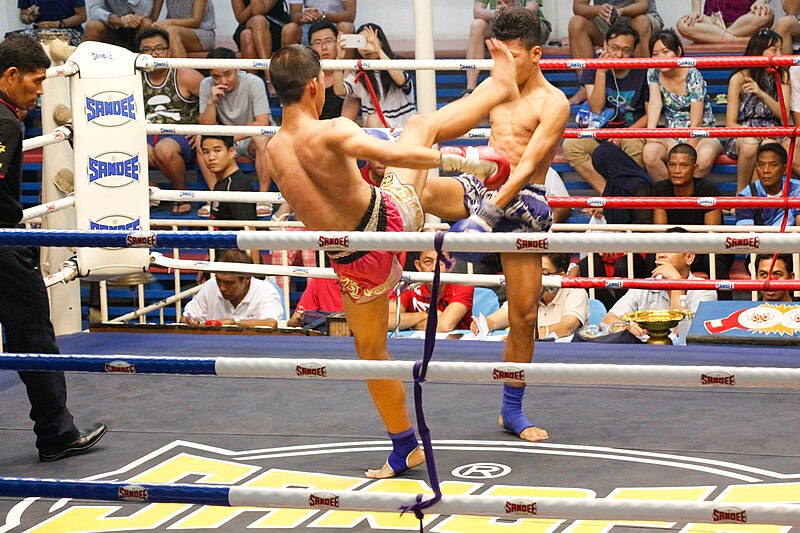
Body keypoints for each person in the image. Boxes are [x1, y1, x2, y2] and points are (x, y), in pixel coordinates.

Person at [267, 32, 521, 477]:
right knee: (420, 127)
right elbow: (392, 151)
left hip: (351, 260)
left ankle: (405, 446)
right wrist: (464, 159)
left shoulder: (272, 151)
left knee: (370, 351)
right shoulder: (333, 129)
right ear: (314, 85)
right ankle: (498, 94)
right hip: (388, 223)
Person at [422, 6, 568, 444]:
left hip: (524, 200)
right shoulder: (493, 86)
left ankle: (511, 410)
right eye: (497, 57)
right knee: (420, 190)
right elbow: (449, 122)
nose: (502, 65)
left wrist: (487, 215)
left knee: (524, 315)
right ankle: (374, 234)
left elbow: (527, 165)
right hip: (482, 184)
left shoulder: (553, 102)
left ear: (536, 54)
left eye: (512, 57)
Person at [0, 34, 107, 462]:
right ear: (11, 75)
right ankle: (56, 434)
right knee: (34, 338)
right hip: (3, 246)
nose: (41, 91)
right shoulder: (6, 122)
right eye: (36, 81)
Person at [562, 21, 649, 194]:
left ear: (633, 51)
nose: (619, 55)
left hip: (631, 133)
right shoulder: (593, 68)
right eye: (614, 48)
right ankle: (607, 195)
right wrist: (601, 72)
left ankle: (629, 194)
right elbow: (596, 108)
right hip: (599, 133)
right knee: (571, 145)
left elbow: (650, 114)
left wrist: (624, 134)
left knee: (633, 145)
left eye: (626, 50)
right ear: (605, 45)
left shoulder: (642, 70)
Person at [602, 228, 717, 338]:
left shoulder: (705, 290)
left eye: (670, 249)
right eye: (659, 248)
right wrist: (628, 327)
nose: (661, 255)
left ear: (689, 257)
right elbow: (608, 319)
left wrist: (677, 284)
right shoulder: (643, 286)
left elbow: (684, 333)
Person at [199, 47, 273, 217]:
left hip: (248, 136)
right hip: (225, 139)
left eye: (227, 74)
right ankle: (215, 196)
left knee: (262, 138)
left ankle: (263, 198)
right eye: (216, 76)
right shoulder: (206, 85)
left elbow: (262, 122)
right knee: (199, 139)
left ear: (237, 69)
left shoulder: (254, 82)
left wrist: (228, 137)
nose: (223, 81)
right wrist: (211, 102)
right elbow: (205, 128)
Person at [137, 28, 204, 216]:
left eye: (159, 49)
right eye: (147, 50)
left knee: (164, 149)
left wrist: (203, 129)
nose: (154, 54)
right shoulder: (133, 79)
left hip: (180, 136)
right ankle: (152, 188)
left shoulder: (185, 75)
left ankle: (181, 194)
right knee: (124, 147)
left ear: (169, 52)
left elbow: (215, 99)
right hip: (145, 134)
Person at [643, 29, 722, 182]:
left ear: (678, 51)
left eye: (665, 52)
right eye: (655, 54)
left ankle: (689, 195)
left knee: (702, 159)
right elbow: (655, 102)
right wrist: (650, 135)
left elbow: (696, 122)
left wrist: (687, 152)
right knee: (649, 153)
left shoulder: (693, 74)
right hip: (672, 134)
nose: (660, 58)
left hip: (702, 133)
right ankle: (671, 194)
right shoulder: (653, 71)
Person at [724, 29, 790, 194]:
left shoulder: (782, 75)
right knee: (750, 144)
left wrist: (761, 93)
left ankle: (757, 199)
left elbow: (784, 117)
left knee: (768, 149)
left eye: (781, 50)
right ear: (759, 51)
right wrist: (752, 132)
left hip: (772, 131)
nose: (779, 55)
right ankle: (741, 195)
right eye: (774, 50)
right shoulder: (738, 78)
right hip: (744, 132)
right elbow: (730, 124)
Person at [472, 253, 589, 340]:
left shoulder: (576, 292)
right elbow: (495, 320)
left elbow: (566, 327)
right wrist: (483, 324)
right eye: (533, 271)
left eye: (544, 273)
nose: (535, 278)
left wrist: (529, 336)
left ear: (561, 276)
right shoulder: (526, 291)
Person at [652, 144, 725, 279]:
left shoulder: (708, 190)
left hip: (702, 249)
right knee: (653, 254)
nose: (677, 171)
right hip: (672, 248)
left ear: (695, 168)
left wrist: (686, 252)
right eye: (672, 165)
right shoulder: (660, 189)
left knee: (715, 256)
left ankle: (721, 294)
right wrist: (676, 253)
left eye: (683, 165)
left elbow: (712, 236)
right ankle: (651, 291)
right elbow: (660, 234)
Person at [568, 0, 663, 104]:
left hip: (639, 17)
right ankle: (586, 86)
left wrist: (620, 11)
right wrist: (597, 10)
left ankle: (647, 86)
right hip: (606, 20)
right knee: (576, 23)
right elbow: (578, 6)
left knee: (641, 21)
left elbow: (643, 6)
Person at [332, 23, 416, 128]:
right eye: (361, 42)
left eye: (370, 41)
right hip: (377, 129)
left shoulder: (398, 63)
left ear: (381, 42)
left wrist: (379, 51)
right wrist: (339, 58)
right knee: (373, 119)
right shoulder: (360, 71)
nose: (365, 48)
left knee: (373, 119)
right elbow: (339, 91)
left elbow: (400, 80)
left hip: (405, 128)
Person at [464, 0, 551, 96]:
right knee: (477, 25)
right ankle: (470, 89)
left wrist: (509, 12)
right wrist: (495, 13)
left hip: (530, 22)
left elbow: (532, 8)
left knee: (523, 25)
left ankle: (525, 89)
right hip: (501, 22)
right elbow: (477, 11)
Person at [182, 250, 283, 326]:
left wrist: (234, 322)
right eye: (218, 280)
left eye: (229, 283)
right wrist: (188, 321)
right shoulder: (210, 286)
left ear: (247, 279)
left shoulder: (266, 291)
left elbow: (270, 323)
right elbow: (185, 317)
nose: (222, 288)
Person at [389, 250, 474, 332]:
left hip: (458, 342)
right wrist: (426, 314)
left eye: (441, 260)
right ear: (418, 266)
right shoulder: (410, 290)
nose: (434, 268)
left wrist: (408, 325)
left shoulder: (464, 287)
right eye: (428, 262)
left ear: (451, 265)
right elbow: (387, 321)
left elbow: (443, 326)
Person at [737, 143, 800, 227]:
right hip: (759, 236)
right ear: (756, 167)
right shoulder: (746, 196)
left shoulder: (797, 189)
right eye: (761, 165)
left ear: (785, 169)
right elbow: (745, 233)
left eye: (773, 165)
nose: (766, 170)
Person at [199, 135, 258, 222]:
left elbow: (248, 228)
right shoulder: (222, 182)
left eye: (217, 150)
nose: (211, 157)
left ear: (232, 152)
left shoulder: (237, 186)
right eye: (206, 152)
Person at [308, 20, 358, 120]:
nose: (324, 47)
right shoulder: (306, 75)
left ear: (337, 43)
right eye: (318, 42)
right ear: (310, 47)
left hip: (341, 127)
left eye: (328, 41)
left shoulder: (349, 72)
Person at [232, 0, 290, 83]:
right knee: (251, 29)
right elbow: (240, 18)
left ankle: (264, 76)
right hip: (248, 24)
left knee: (251, 30)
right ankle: (260, 80)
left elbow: (258, 11)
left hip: (274, 25)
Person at [677, 0, 773, 44]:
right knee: (683, 25)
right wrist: (695, 11)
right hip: (713, 21)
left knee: (766, 15)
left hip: (745, 21)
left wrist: (762, 1)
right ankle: (738, 40)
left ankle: (718, 36)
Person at [150, 0, 216, 58]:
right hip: (171, 30)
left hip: (201, 33)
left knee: (171, 32)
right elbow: (153, 17)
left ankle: (183, 68)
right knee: (156, 33)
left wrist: (169, 22)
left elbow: (196, 22)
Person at [84, 0, 155, 50]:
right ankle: (87, 63)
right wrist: (119, 20)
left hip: (135, 26)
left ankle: (144, 63)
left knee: (147, 23)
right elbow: (94, 10)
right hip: (110, 26)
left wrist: (130, 19)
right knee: (93, 26)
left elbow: (146, 11)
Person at [281, 0, 356, 47]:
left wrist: (324, 16)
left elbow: (350, 15)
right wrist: (306, 16)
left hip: (335, 23)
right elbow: (294, 15)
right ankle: (289, 67)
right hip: (309, 24)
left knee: (346, 27)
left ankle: (346, 68)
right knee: (290, 29)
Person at [15, 0, 87, 46]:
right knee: (14, 40)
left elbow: (82, 16)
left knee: (45, 42)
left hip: (70, 31)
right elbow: (23, 16)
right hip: (39, 31)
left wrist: (56, 24)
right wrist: (30, 17)